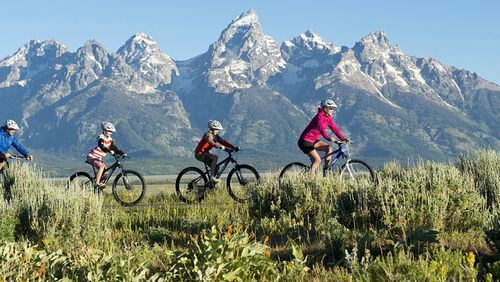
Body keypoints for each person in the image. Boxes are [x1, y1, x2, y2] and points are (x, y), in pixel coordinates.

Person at [298, 99, 349, 175]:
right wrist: (329, 138)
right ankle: (310, 180)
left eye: (333, 108)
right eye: (331, 108)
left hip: (313, 141)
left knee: (329, 148)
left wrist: (343, 138)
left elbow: (335, 129)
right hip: (305, 141)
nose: (332, 110)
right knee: (317, 160)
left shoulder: (328, 118)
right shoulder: (319, 117)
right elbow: (322, 130)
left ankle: (326, 171)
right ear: (326, 108)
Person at [87, 122, 125, 189]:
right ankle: (97, 184)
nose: (111, 133)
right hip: (92, 156)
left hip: (99, 158)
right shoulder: (100, 138)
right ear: (105, 131)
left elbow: (114, 148)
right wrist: (109, 151)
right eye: (110, 131)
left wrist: (122, 153)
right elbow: (102, 147)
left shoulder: (110, 139)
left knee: (105, 172)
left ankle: (99, 184)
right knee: (101, 167)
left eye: (111, 132)